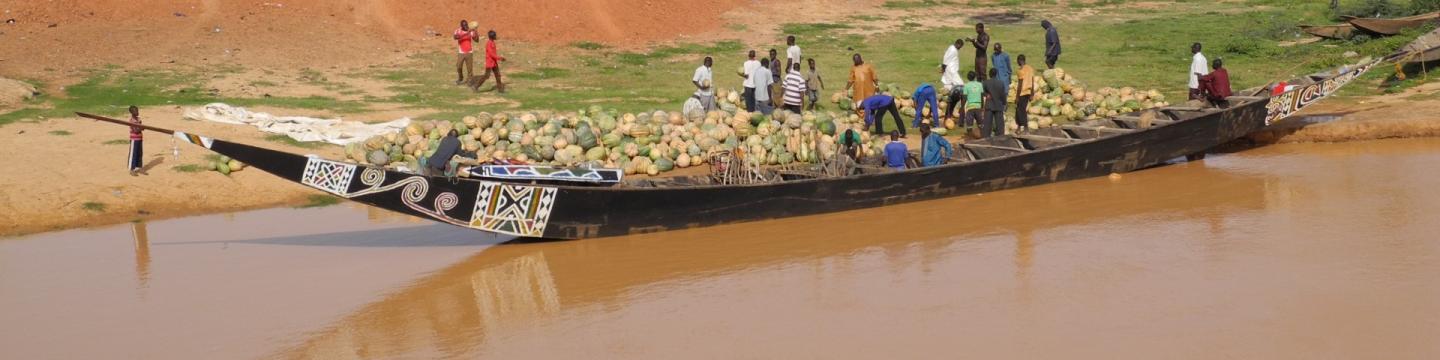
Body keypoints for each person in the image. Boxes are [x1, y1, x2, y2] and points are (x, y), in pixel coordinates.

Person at [982, 68, 1007, 137]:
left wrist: (986, 95)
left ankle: (986, 137)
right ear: (996, 74)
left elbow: (982, 92)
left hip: (989, 105)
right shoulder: (1001, 83)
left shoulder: (985, 82)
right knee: (999, 124)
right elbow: (1003, 95)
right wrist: (1004, 103)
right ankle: (1000, 137)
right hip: (998, 105)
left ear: (990, 74)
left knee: (987, 123)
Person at [1014, 54, 1036, 132]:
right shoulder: (1030, 68)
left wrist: (1017, 97)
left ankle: (1024, 127)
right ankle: (1019, 126)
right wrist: (1032, 93)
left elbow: (1020, 85)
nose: (1017, 62)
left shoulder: (1020, 71)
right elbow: (1032, 81)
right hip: (1028, 92)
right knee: (1020, 110)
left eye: (1017, 61)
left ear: (1020, 61)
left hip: (1022, 93)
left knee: (1021, 110)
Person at [453, 20, 478, 85]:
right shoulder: (458, 31)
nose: (466, 26)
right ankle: (460, 77)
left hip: (469, 52)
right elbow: (456, 37)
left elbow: (477, 40)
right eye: (464, 25)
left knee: (470, 69)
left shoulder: (471, 31)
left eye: (466, 25)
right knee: (458, 66)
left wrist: (476, 32)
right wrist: (467, 33)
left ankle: (469, 80)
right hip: (461, 52)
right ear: (461, 26)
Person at [126, 106, 145, 176]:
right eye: (135, 111)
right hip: (134, 139)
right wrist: (141, 127)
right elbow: (136, 130)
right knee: (133, 154)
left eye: (137, 111)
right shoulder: (131, 121)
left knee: (140, 154)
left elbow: (141, 128)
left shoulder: (138, 119)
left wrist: (141, 127)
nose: (137, 112)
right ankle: (131, 169)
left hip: (140, 138)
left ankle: (139, 167)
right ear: (132, 113)